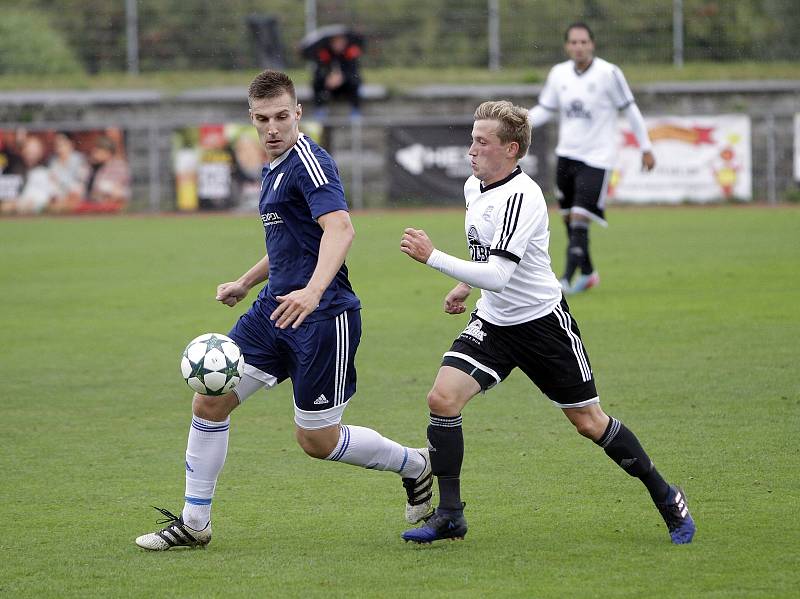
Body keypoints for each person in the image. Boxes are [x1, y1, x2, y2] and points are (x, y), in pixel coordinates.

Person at [135, 70, 432, 551]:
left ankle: (416, 465)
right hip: (271, 312)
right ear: (251, 118)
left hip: (323, 318)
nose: (272, 128)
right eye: (262, 119)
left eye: (281, 117)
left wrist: (313, 292)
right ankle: (194, 523)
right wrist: (246, 281)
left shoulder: (310, 162)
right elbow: (292, 241)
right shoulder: (272, 167)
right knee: (210, 399)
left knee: (317, 441)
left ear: (297, 114)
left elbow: (340, 229)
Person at [398, 100, 694, 545]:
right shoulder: (474, 188)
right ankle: (450, 515)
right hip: (495, 324)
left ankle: (667, 496)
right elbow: (489, 259)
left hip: (542, 328)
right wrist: (466, 287)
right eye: (471, 140)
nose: (471, 151)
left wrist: (434, 258)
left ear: (511, 149)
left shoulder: (524, 196)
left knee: (589, 423)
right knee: (442, 399)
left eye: (482, 142)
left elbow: (500, 274)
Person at [528, 22, 655, 294]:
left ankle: (564, 280)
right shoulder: (559, 74)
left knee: (579, 216)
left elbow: (630, 110)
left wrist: (646, 146)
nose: (579, 47)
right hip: (566, 156)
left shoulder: (609, 73)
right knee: (569, 219)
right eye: (573, 42)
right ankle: (588, 272)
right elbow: (545, 109)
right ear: (567, 46)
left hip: (598, 158)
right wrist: (518, 121)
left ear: (592, 44)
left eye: (583, 42)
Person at [311, 34, 362, 118]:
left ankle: (355, 109)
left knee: (354, 83)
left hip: (346, 86)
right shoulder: (324, 53)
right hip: (329, 87)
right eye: (336, 42)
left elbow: (354, 73)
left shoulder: (350, 53)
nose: (338, 45)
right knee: (317, 83)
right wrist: (327, 78)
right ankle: (320, 109)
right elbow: (319, 71)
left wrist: (342, 78)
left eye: (341, 42)